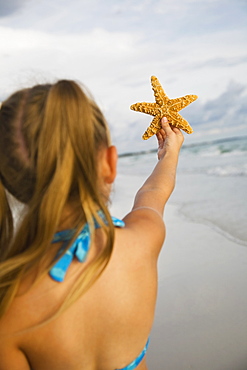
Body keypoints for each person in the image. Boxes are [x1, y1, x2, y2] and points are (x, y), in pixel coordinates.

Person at [0, 80, 184, 370]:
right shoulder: (143, 239)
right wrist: (169, 153)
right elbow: (153, 193)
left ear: (10, 181)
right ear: (110, 163)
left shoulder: (9, 306)